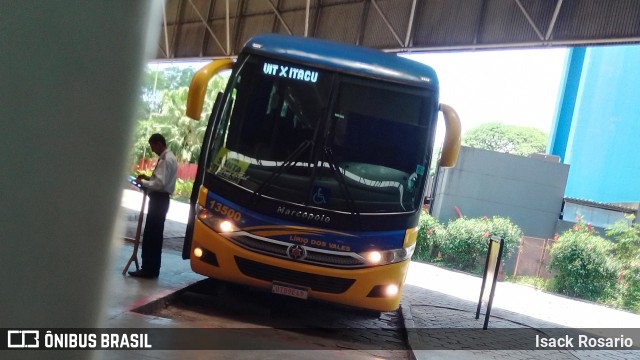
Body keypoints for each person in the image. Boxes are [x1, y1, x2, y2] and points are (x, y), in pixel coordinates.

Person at [129, 133, 178, 279]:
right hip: (162, 200)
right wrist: (148, 178)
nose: (153, 150)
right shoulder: (171, 158)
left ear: (158, 144)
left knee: (151, 235)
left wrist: (142, 183)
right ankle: (152, 268)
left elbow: (159, 184)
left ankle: (148, 269)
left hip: (158, 199)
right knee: (156, 235)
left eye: (153, 146)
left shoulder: (165, 160)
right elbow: (160, 180)